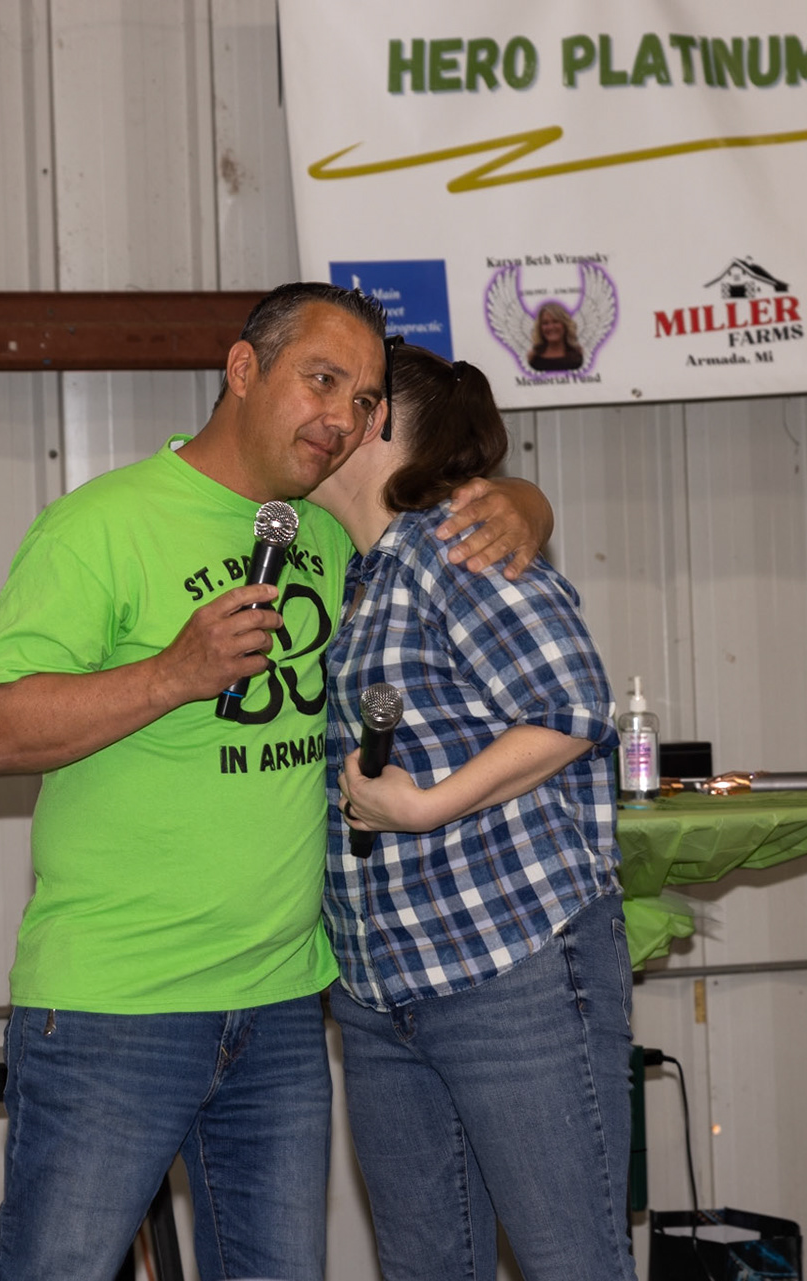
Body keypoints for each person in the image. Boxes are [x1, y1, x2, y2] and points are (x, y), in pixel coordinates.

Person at [0, 282, 553, 1281]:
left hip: (280, 1004)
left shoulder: (332, 526)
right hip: (118, 1002)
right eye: (321, 380)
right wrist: (170, 675)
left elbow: (471, 507)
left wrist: (529, 502)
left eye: (365, 399)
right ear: (243, 369)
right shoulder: (101, 526)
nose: (343, 417)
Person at [312, 344, 636, 1281]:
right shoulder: (362, 568)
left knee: (572, 1260)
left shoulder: (458, 540)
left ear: (378, 422)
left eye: (341, 396)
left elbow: (573, 706)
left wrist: (426, 807)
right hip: (386, 991)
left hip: (509, 968)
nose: (318, 420)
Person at [527, 299, 583, 372]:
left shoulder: (578, 355)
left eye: (555, 321)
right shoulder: (533, 357)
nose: (550, 327)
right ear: (540, 328)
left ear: (565, 325)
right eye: (545, 323)